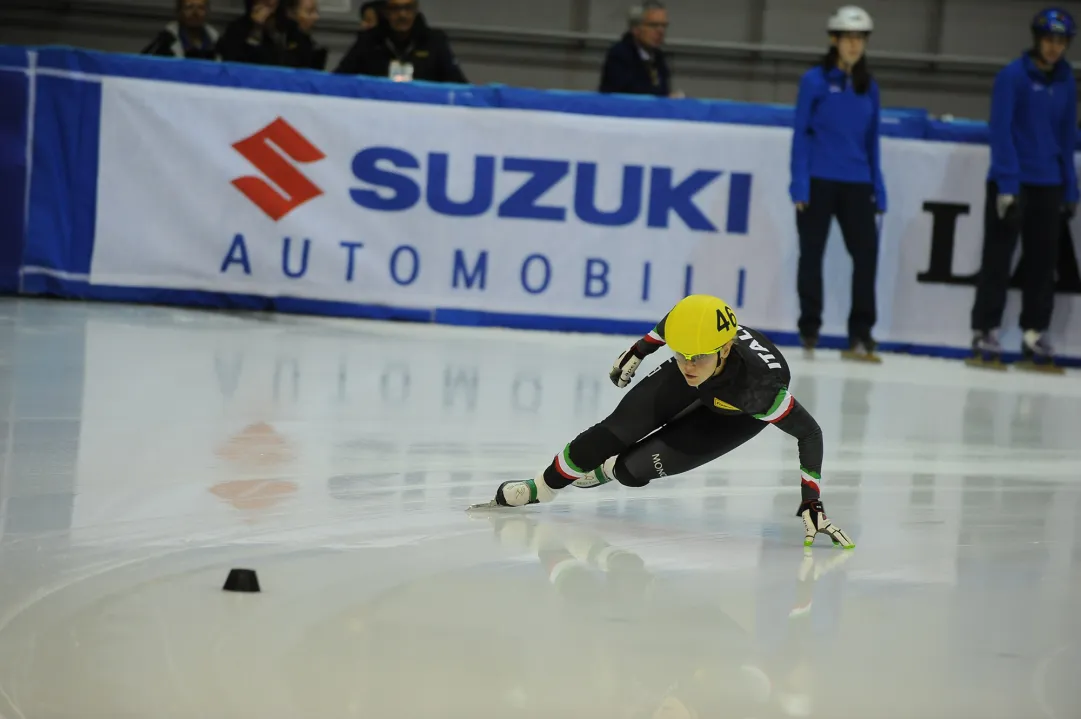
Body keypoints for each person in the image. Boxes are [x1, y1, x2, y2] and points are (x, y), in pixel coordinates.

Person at [470, 294, 855, 550]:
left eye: (698, 357)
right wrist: (640, 351)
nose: (688, 365)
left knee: (630, 470)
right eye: (681, 354)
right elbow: (675, 320)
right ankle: (541, 487)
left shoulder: (760, 392)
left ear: (725, 348)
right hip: (712, 382)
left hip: (733, 413)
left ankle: (605, 472)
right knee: (613, 432)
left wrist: (811, 500)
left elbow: (810, 432)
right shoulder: (693, 344)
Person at [968, 7, 1077, 373]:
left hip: (1049, 184)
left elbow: (1066, 138)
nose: (1053, 48)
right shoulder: (1011, 77)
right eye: (1049, 40)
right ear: (1036, 39)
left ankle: (1034, 332)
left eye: (1060, 42)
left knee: (1043, 265)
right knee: (998, 259)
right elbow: (1000, 131)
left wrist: (1070, 189)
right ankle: (985, 330)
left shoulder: (1066, 80)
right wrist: (1008, 186)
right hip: (1012, 182)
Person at [789, 5, 886, 363]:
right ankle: (810, 327)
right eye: (848, 37)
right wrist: (799, 184)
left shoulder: (869, 86)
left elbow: (872, 140)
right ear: (834, 39)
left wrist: (880, 186)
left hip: (858, 182)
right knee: (811, 256)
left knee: (866, 257)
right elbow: (800, 135)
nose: (854, 44)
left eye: (860, 38)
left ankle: (861, 332)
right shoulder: (814, 81)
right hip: (818, 181)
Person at [333, 0, 467, 83]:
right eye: (395, 9)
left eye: (408, 8)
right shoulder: (368, 41)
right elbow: (339, 79)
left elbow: (458, 84)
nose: (402, 15)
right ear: (385, 12)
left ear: (416, 10)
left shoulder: (434, 41)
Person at [598, 1, 677, 98]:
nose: (660, 31)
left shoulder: (659, 57)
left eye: (664, 26)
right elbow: (626, 93)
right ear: (636, 29)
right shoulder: (619, 55)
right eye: (653, 25)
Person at [141, 0, 220, 61]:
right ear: (179, 11)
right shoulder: (166, 42)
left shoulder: (217, 42)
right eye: (189, 7)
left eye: (201, 8)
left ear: (207, 12)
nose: (195, 13)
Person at [216, 0, 285, 66]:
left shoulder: (289, 27)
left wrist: (273, 33)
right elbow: (232, 63)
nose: (269, 1)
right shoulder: (236, 28)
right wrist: (256, 29)